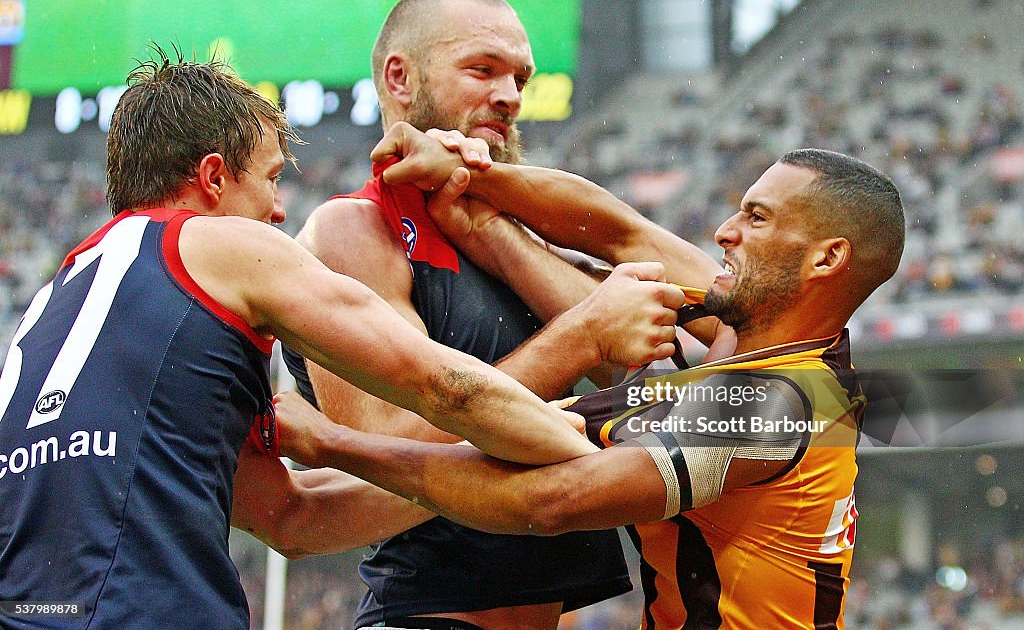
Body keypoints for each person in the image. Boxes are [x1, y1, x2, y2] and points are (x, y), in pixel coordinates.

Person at [0, 50, 683, 629]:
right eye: (269, 178)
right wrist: (586, 435)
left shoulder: (58, 302)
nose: (277, 208)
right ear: (211, 178)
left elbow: (290, 517)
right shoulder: (218, 246)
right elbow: (441, 385)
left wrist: (413, 467)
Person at [275, 136, 906, 629]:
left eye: (757, 218)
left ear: (826, 258)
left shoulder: (778, 404)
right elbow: (616, 231)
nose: (724, 233)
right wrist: (483, 196)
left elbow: (549, 502)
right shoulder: (756, 340)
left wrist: (329, 445)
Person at [281, 0, 721, 630]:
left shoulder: (499, 228)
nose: (511, 95)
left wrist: (496, 227)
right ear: (400, 77)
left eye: (520, 77)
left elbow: (642, 358)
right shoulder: (356, 228)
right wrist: (580, 336)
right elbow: (379, 455)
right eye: (482, 69)